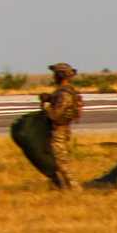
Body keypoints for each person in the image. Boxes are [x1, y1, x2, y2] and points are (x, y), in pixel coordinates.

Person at [39, 62, 83, 190]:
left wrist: (46, 107)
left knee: (61, 161)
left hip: (59, 130)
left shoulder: (64, 93)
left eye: (55, 74)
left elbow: (56, 115)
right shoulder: (66, 91)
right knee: (54, 160)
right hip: (61, 129)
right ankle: (59, 186)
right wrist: (49, 98)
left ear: (60, 75)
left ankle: (75, 188)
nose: (53, 77)